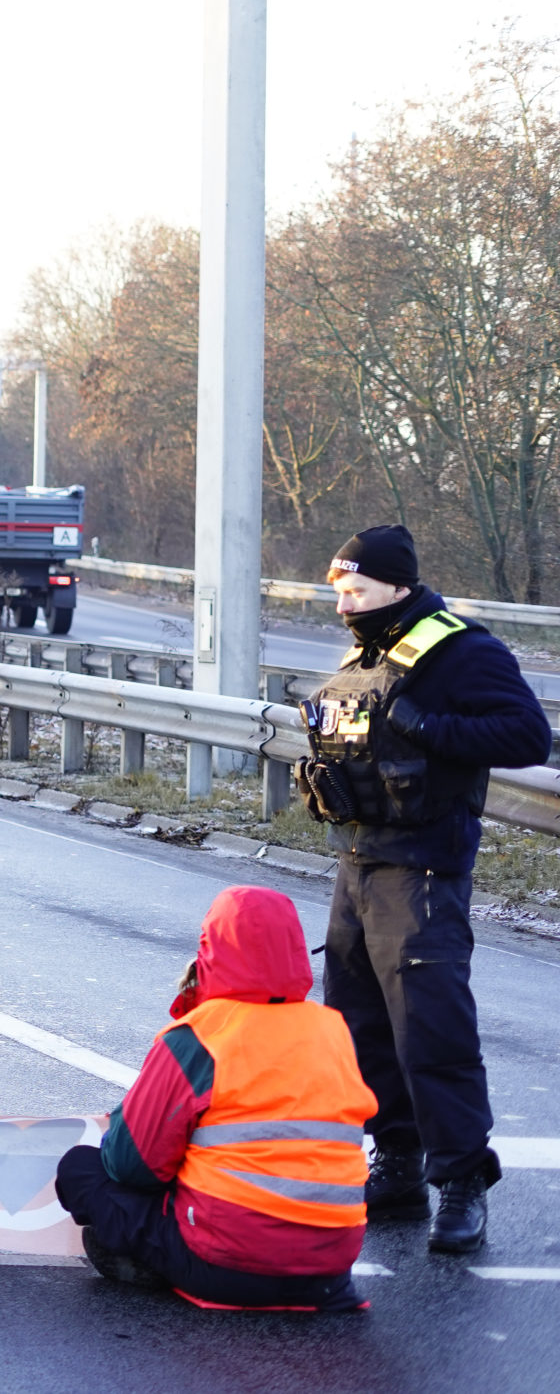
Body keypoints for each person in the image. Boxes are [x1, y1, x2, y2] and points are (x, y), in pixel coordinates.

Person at [291, 523, 551, 1255]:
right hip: (358, 863)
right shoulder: (369, 653)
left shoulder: (461, 650)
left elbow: (527, 735)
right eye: (340, 591)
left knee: (432, 1031)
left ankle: (461, 1182)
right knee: (361, 1028)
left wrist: (427, 725)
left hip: (424, 870)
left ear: (397, 587)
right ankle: (398, 1163)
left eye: (357, 590)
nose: (344, 604)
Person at [56, 885, 377, 1312]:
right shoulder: (332, 1030)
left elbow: (133, 1166)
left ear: (210, 948)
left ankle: (159, 1264)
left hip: (227, 1266)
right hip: (330, 1272)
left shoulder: (201, 1035)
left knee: (80, 1169)